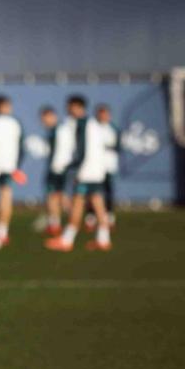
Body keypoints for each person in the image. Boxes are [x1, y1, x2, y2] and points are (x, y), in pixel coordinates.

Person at [46, 95, 112, 252]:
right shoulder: (93, 123)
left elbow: (81, 151)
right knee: (98, 204)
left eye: (70, 107)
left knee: (77, 203)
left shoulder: (82, 125)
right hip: (96, 170)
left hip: (86, 171)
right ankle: (103, 239)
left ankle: (67, 240)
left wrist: (72, 166)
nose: (68, 110)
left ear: (77, 106)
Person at [0, 95, 26, 247]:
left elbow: (21, 146)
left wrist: (15, 167)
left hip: (3, 167)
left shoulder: (10, 123)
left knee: (4, 197)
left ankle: (0, 231)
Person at [43, 105, 72, 237]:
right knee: (58, 196)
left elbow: (63, 151)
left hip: (59, 168)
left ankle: (63, 222)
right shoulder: (53, 130)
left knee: (55, 196)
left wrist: (58, 166)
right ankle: (57, 223)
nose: (45, 121)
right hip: (58, 167)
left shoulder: (61, 130)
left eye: (47, 117)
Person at [96, 104, 120, 229]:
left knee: (108, 192)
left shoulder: (114, 129)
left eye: (105, 113)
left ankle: (109, 216)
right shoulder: (93, 128)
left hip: (109, 166)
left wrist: (108, 147)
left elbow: (118, 147)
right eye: (101, 113)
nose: (103, 116)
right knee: (94, 193)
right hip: (95, 167)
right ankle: (92, 217)